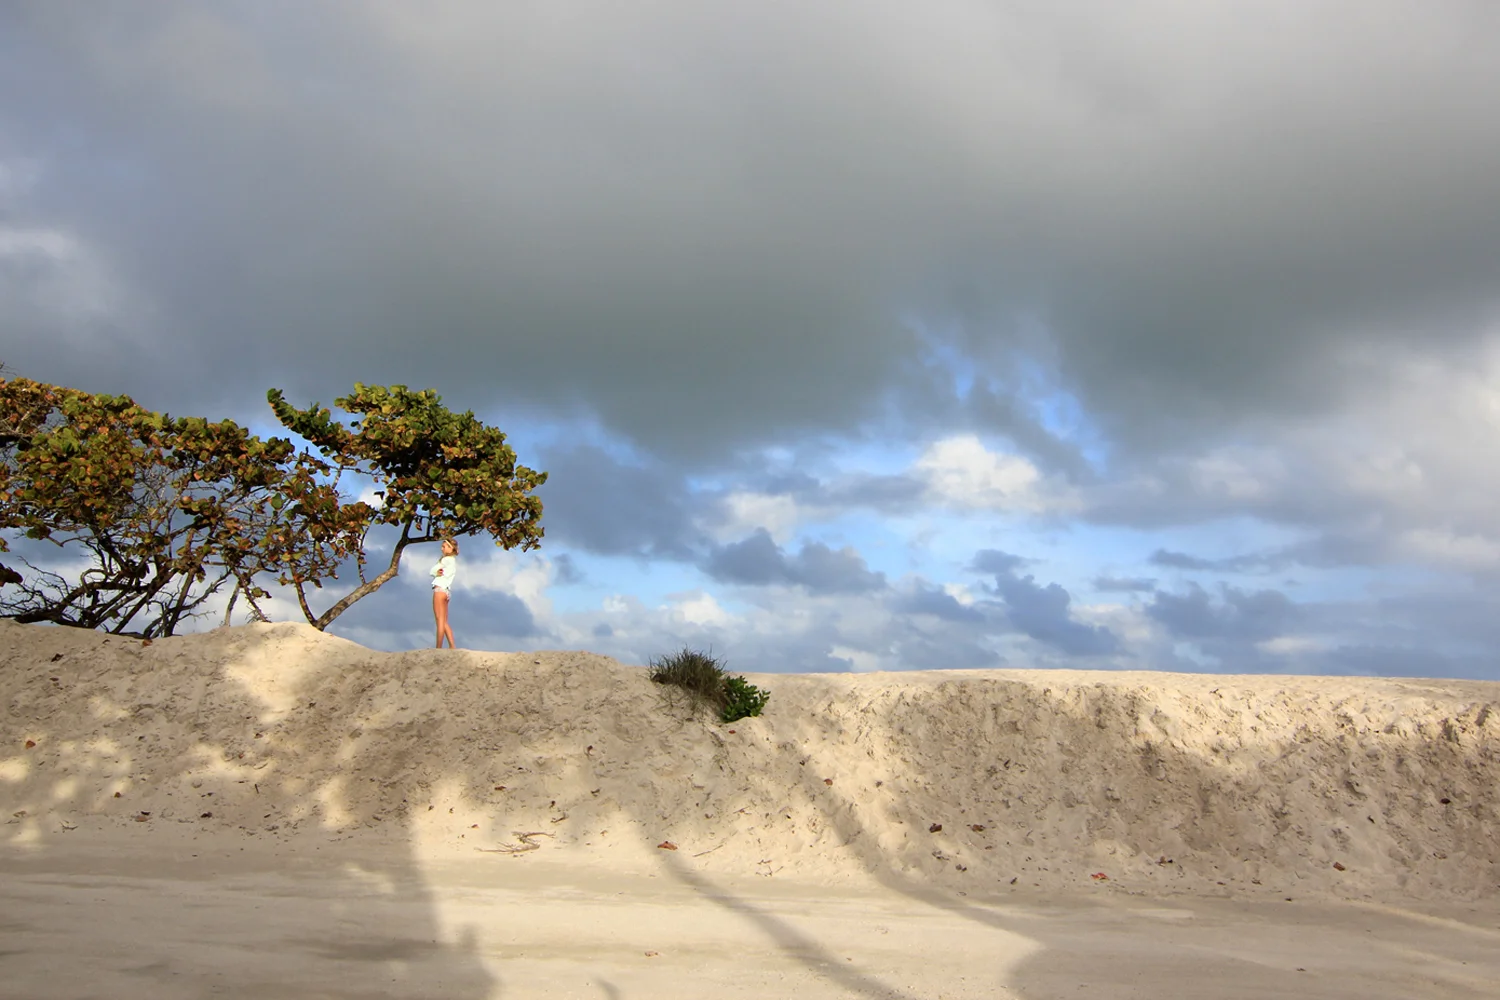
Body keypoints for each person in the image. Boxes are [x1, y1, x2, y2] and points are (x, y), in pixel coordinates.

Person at [430, 537, 458, 649]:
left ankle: (439, 646)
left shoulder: (446, 560)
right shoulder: (452, 561)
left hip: (440, 590)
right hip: (446, 591)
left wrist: (436, 572)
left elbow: (432, 571)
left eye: (444, 546)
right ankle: (452, 645)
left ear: (450, 548)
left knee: (439, 619)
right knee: (444, 620)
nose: (442, 549)